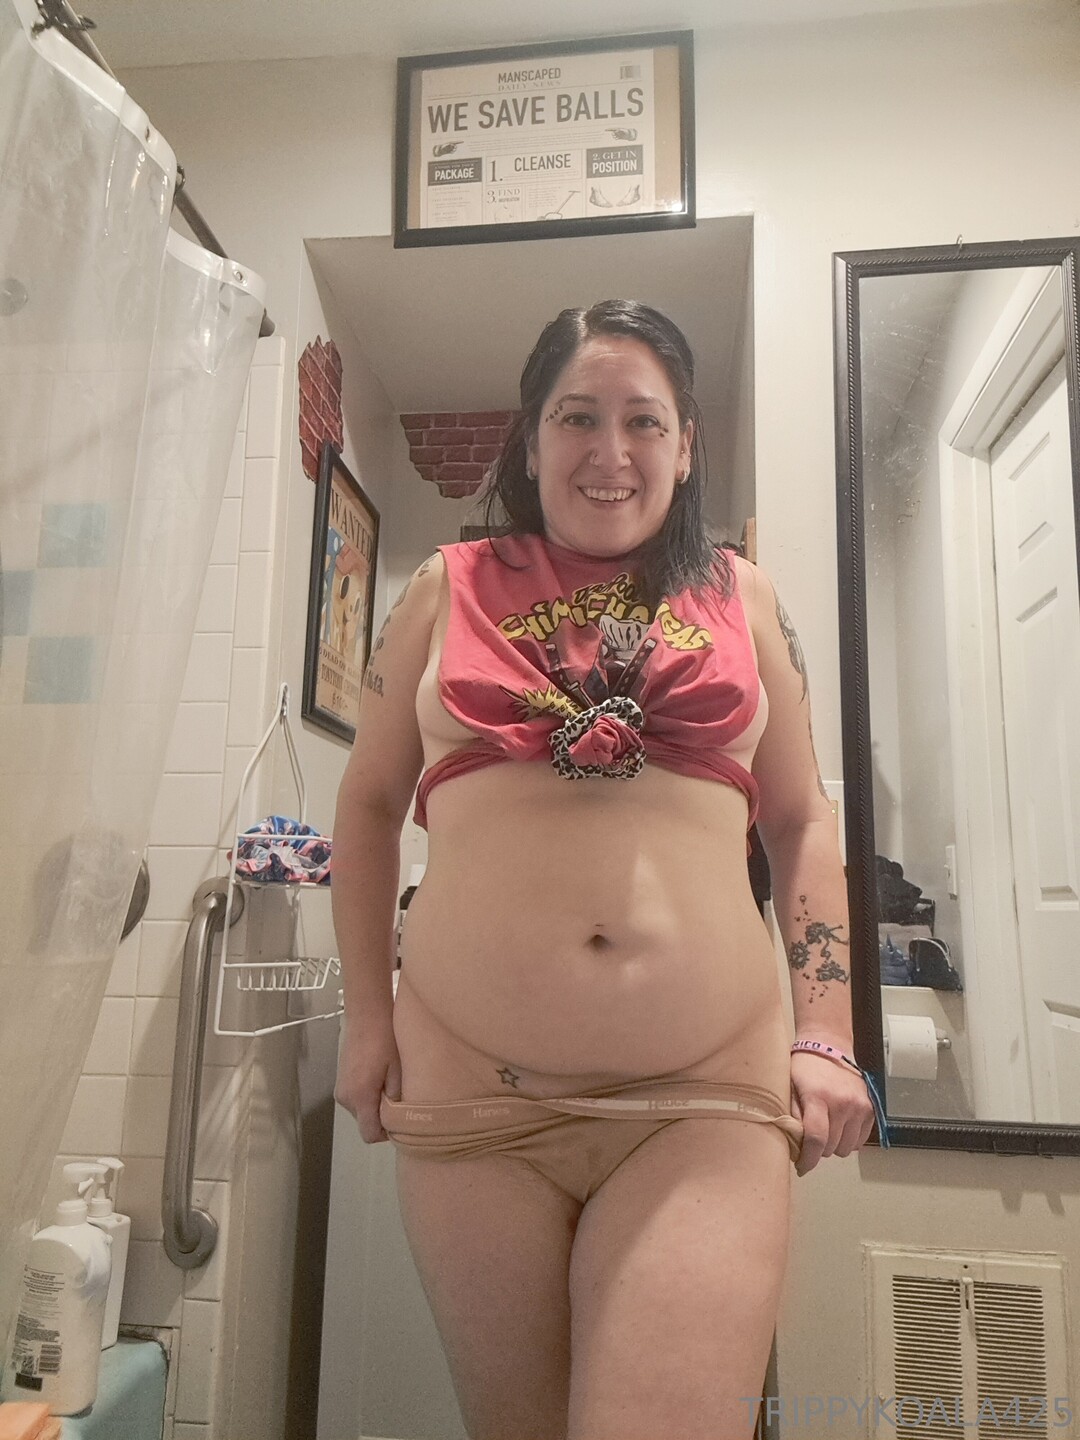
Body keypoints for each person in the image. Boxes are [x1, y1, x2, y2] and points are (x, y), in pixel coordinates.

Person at [331, 299, 879, 1440]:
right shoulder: (440, 586)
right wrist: (366, 1021)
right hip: (472, 1097)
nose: (610, 451)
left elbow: (801, 822)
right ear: (531, 442)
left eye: (644, 421)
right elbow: (370, 806)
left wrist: (826, 1033)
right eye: (578, 417)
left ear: (686, 446)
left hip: (703, 1100)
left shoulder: (744, 595)